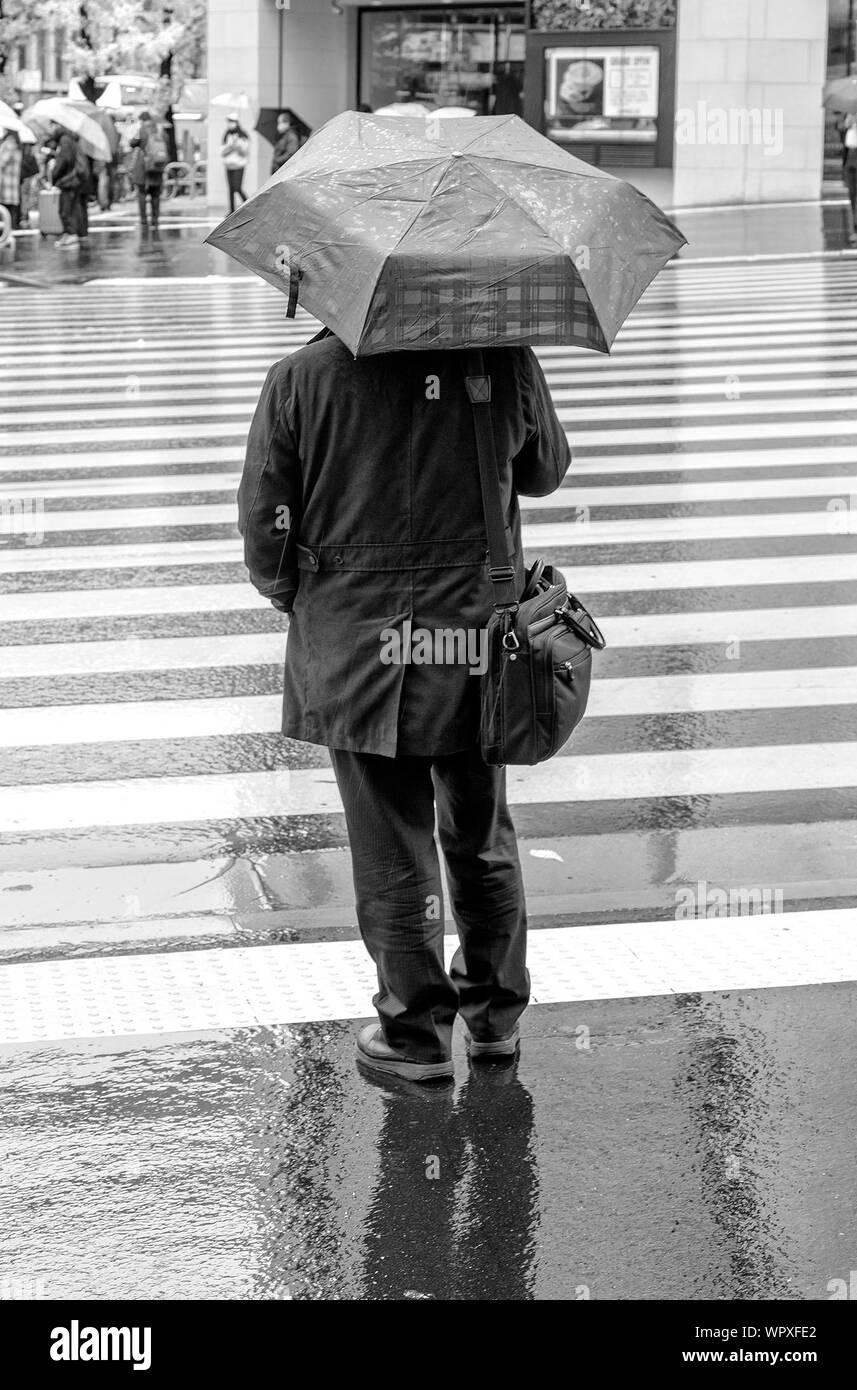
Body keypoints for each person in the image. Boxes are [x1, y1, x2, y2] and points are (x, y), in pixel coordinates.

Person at [238, 330, 571, 1083]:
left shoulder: (301, 378)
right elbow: (544, 472)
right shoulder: (501, 358)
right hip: (475, 636)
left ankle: (415, 1034)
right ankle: (493, 1021)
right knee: (479, 831)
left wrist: (298, 597)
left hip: (357, 641)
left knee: (390, 840)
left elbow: (267, 524)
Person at [50, 123, 90, 248]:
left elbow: (64, 160)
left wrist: (54, 172)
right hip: (74, 179)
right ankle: (75, 233)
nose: (51, 128)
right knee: (74, 207)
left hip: (68, 180)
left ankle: (70, 233)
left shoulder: (65, 139)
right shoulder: (70, 138)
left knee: (66, 209)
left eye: (52, 125)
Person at [129, 111, 166, 232]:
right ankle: (155, 221)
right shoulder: (160, 130)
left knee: (142, 194)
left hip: (144, 169)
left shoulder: (142, 130)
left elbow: (133, 143)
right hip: (158, 167)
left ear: (142, 120)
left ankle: (144, 221)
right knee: (155, 195)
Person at [840, 112, 857, 246]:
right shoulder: (849, 113)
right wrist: (846, 124)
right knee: (852, 193)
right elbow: (840, 130)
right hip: (850, 154)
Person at [221, 114, 249, 211]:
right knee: (231, 189)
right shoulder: (227, 135)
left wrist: (237, 145)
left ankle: (248, 205)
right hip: (229, 166)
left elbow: (245, 152)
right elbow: (222, 151)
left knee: (237, 187)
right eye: (229, 122)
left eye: (231, 121)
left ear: (236, 122)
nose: (230, 124)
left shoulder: (243, 136)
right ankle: (232, 211)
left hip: (239, 166)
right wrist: (231, 146)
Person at [0, 128, 22, 230]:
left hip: (5, 184)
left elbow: (2, 162)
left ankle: (6, 234)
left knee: (5, 211)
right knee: (11, 210)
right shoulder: (17, 145)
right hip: (13, 184)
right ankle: (11, 231)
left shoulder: (9, 144)